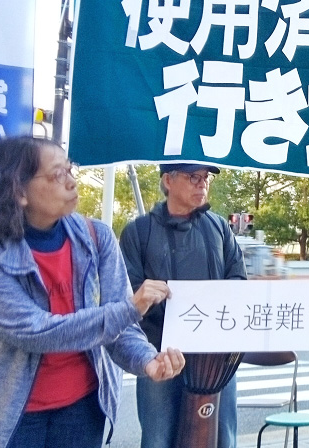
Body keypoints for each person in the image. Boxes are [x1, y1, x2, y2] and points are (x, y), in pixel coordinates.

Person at [0, 137, 185, 448]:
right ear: (19, 191)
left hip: (84, 407)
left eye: (71, 170)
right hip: (14, 416)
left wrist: (147, 359)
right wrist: (130, 308)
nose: (72, 182)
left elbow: (120, 327)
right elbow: (35, 331)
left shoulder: (97, 237)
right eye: (58, 174)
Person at [119, 162, 247, 448]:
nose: (202, 183)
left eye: (205, 178)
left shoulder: (219, 227)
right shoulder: (139, 232)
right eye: (193, 177)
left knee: (223, 436)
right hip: (158, 354)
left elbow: (238, 278)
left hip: (216, 356)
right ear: (168, 180)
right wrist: (150, 299)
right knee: (157, 438)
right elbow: (127, 294)